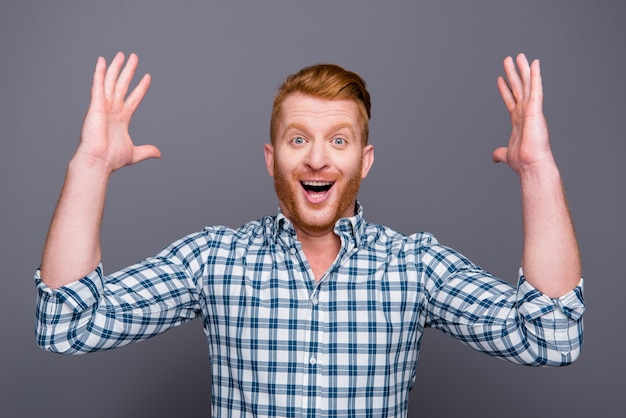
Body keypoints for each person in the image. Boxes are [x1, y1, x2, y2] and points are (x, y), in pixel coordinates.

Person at [35, 52, 584, 417]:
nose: (318, 157)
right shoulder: (214, 259)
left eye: (339, 141)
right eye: (298, 140)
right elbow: (67, 324)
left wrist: (538, 171)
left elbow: (551, 339)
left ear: (364, 161)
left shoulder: (414, 266)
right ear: (272, 159)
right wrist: (90, 166)